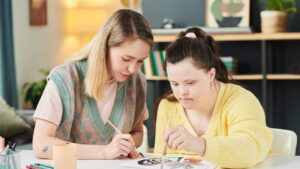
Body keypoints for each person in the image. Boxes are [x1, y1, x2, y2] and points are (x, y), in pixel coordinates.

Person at [33, 9, 153, 160]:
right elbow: (41, 145)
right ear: (105, 47)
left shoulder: (138, 81)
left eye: (140, 61)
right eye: (126, 59)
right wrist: (104, 152)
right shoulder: (64, 79)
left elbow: (138, 133)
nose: (133, 69)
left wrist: (125, 144)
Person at [154, 27, 273, 168]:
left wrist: (201, 145)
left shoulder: (241, 100)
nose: (181, 92)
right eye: (174, 83)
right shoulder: (168, 106)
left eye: (190, 83)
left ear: (211, 75)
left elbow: (252, 149)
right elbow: (161, 160)